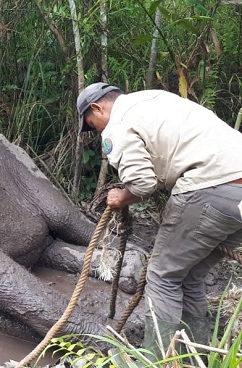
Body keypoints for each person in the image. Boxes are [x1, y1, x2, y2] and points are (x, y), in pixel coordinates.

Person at [76, 83, 242, 358]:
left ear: (97, 107)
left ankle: (156, 360)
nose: (97, 131)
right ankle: (193, 356)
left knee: (162, 276)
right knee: (189, 276)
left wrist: (122, 197)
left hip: (210, 189)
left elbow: (142, 183)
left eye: (92, 125)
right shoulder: (154, 99)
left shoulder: (119, 124)